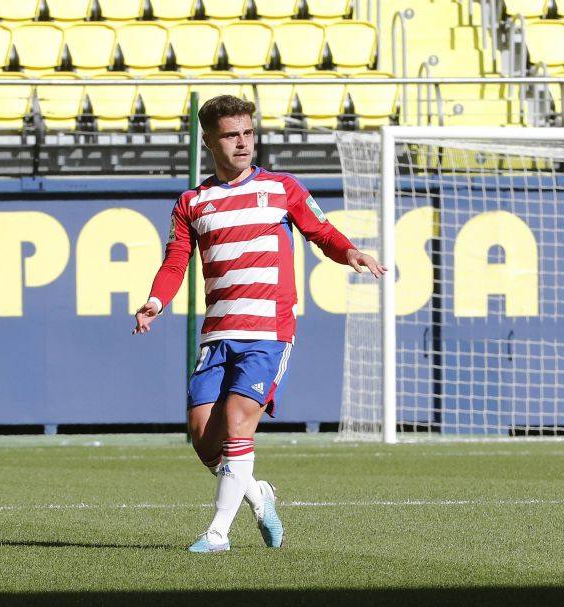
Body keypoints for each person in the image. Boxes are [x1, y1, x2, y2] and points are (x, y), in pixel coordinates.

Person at [132, 95, 386, 553]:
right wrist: (155, 301)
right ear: (209, 141)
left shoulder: (283, 189)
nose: (243, 142)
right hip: (218, 332)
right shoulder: (193, 202)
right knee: (203, 437)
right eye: (231, 135)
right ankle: (258, 492)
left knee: (236, 421)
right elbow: (175, 262)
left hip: (269, 331)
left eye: (248, 132)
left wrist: (348, 251)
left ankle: (217, 533)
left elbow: (322, 232)